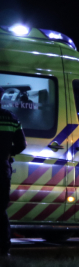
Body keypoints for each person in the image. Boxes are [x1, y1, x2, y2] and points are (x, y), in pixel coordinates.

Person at [0, 89, 26, 257]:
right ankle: (3, 250)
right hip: (2, 169)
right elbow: (22, 144)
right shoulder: (11, 118)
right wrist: (8, 153)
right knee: (0, 209)